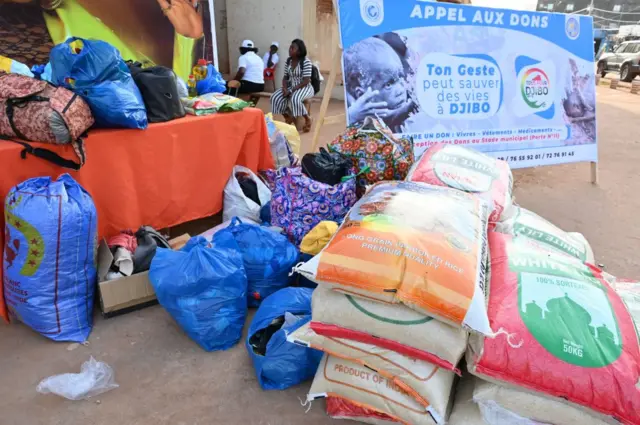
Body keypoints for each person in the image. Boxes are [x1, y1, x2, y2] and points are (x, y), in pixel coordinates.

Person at [344, 37, 415, 132]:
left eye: (401, 77)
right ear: (362, 95)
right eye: (389, 84)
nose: (401, 89)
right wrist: (353, 117)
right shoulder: (358, 118)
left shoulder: (411, 99)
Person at [270, 39, 314, 133]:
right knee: (274, 97)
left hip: (304, 87)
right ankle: (288, 116)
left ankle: (307, 119)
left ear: (299, 51)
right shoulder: (288, 61)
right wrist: (285, 88)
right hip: (291, 87)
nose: (290, 49)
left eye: (292, 48)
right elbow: (285, 77)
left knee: (295, 98)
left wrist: (291, 90)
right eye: (290, 47)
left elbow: (306, 81)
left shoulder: (306, 62)